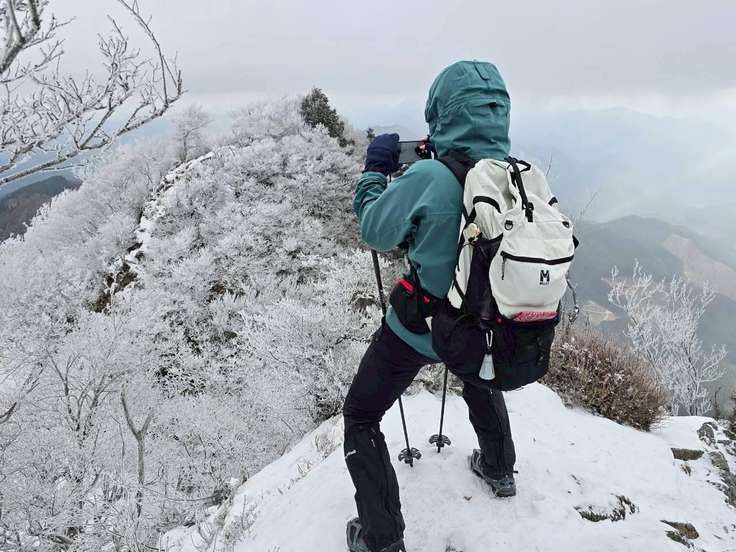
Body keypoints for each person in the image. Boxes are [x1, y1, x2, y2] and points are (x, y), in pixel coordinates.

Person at [343, 60, 516, 552]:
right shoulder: (515, 176)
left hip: (419, 329)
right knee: (479, 374)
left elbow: (375, 230)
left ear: (443, 112)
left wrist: (375, 172)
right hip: (487, 326)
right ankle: (499, 469)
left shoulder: (428, 177)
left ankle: (381, 537)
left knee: (360, 415)